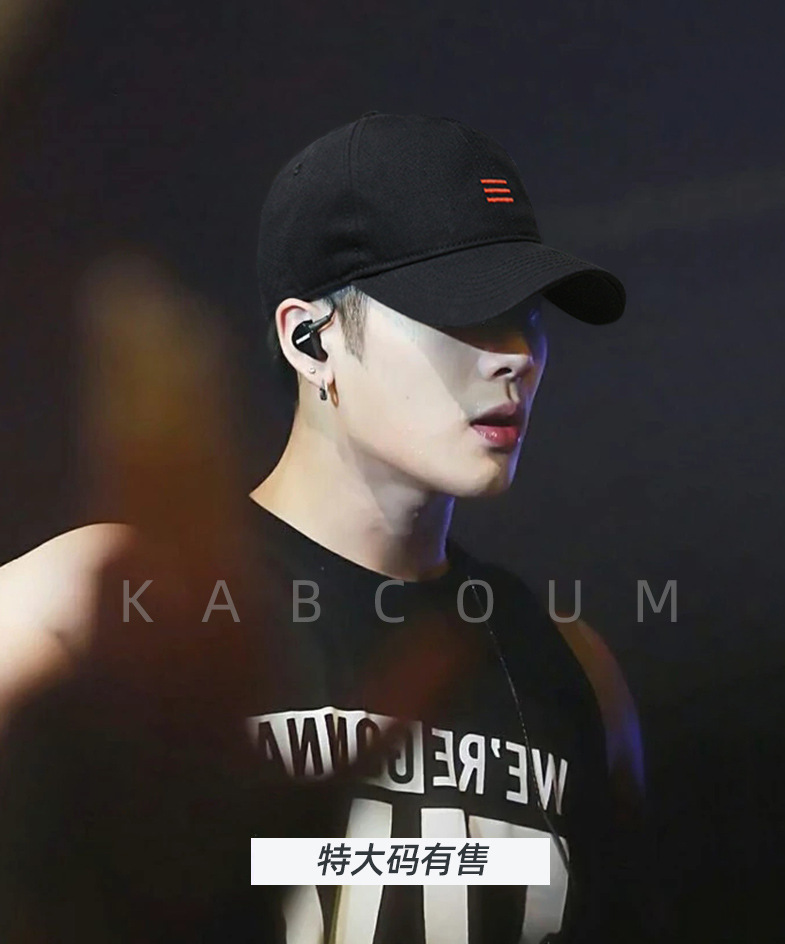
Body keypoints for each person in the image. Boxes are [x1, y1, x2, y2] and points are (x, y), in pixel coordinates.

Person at [0, 112, 654, 943]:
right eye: (462, 309)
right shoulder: (91, 609)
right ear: (309, 340)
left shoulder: (572, 674)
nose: (515, 356)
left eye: (527, 312)